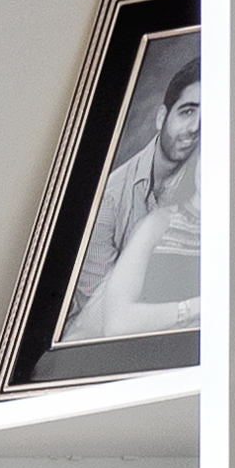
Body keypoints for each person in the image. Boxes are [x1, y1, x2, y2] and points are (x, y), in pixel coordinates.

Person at [55, 42, 206, 344]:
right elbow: (103, 313)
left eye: (207, 117)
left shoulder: (200, 182)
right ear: (162, 117)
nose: (195, 127)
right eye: (187, 111)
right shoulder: (108, 198)